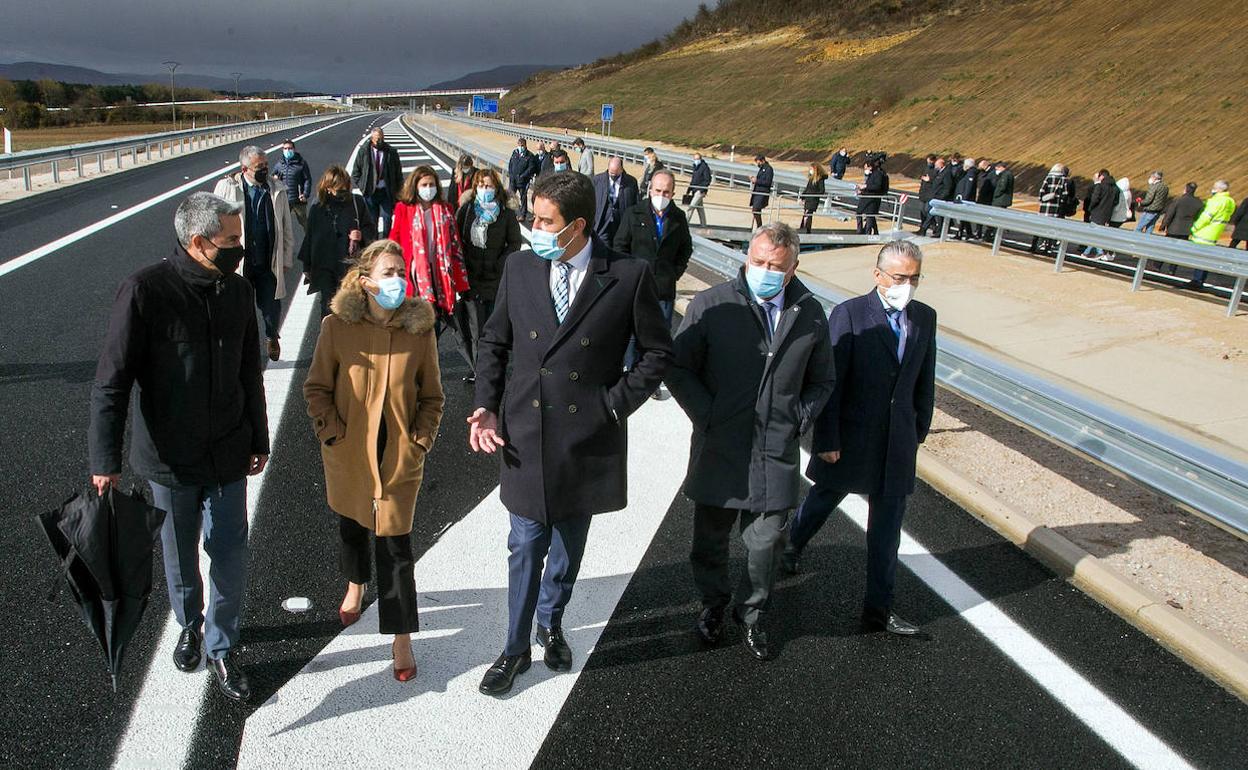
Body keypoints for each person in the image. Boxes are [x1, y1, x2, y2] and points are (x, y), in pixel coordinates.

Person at [468, 171, 672, 696]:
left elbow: (656, 353)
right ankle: (514, 649)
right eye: (531, 218)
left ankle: (550, 622)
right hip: (525, 432)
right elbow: (493, 342)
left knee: (566, 547)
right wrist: (486, 407)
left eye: (544, 221)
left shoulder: (626, 275)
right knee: (524, 543)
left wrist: (613, 405)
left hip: (586, 436)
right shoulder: (520, 266)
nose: (533, 229)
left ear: (577, 226)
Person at [89, 192, 269, 702]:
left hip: (229, 449)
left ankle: (222, 642)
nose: (241, 247)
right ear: (198, 242)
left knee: (229, 547)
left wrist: (259, 437)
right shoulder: (145, 292)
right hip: (168, 458)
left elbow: (248, 372)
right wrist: (105, 462)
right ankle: (190, 623)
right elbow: (111, 382)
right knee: (178, 549)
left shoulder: (236, 293)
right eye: (231, 240)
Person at [666, 222, 833, 660]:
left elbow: (823, 380)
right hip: (720, 447)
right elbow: (679, 367)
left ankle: (753, 614)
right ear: (746, 258)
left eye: (775, 266)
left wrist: (799, 418)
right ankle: (713, 605)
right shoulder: (711, 305)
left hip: (774, 452)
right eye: (758, 262)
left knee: (765, 544)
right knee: (710, 542)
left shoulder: (810, 314)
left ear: (793, 268)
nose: (765, 271)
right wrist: (707, 415)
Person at [303, 238, 444, 684]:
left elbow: (433, 397)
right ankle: (355, 582)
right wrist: (331, 434)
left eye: (402, 272)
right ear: (365, 282)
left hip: (398, 456)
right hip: (349, 451)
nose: (398, 281)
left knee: (396, 548)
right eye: (388, 273)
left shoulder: (419, 332)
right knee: (351, 522)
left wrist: (419, 442)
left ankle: (401, 634)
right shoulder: (336, 328)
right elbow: (317, 389)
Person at [782, 240, 937, 638]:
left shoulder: (925, 318)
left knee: (887, 535)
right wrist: (826, 438)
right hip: (851, 436)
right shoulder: (850, 315)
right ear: (878, 275)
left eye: (914, 278)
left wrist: (917, 428)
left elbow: (924, 381)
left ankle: (878, 613)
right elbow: (830, 381)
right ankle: (791, 545)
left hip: (897, 443)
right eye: (900, 277)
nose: (907, 285)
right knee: (824, 498)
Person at [213, 145, 294, 362]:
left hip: (268, 260)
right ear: (245, 168)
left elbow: (286, 226)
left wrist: (286, 257)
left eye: (266, 165)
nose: (265, 170)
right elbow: (214, 223)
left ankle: (271, 335)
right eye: (260, 167)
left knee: (271, 307)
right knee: (239, 309)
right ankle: (241, 350)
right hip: (240, 261)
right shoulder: (228, 188)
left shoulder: (277, 189)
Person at [389, 166, 474, 370]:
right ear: (415, 187)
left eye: (432, 185)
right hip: (414, 277)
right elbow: (395, 238)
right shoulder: (404, 208)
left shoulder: (445, 209)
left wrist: (460, 279)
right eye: (424, 185)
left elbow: (454, 245)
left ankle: (429, 362)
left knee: (434, 322)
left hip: (440, 277)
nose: (429, 188)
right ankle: (413, 362)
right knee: (413, 322)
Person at [613, 168, 691, 377]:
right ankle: (628, 369)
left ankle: (652, 376)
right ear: (649, 189)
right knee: (631, 332)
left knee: (658, 335)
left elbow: (685, 249)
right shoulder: (633, 213)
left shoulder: (678, 218)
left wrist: (674, 273)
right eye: (657, 191)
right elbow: (620, 246)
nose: (661, 196)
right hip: (636, 286)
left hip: (664, 289)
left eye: (666, 192)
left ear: (673, 194)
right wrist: (628, 275)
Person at [455, 167, 523, 382]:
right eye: (482, 186)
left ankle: (491, 366)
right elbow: (456, 241)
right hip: (472, 279)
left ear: (497, 188)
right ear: (476, 188)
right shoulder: (466, 211)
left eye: (490, 185)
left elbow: (514, 242)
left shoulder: (505, 213)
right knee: (476, 327)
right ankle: (479, 370)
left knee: (492, 328)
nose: (486, 189)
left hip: (495, 279)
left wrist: (500, 263)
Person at [298, 165, 377, 318]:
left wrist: (361, 235)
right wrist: (306, 266)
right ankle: (328, 338)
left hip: (349, 264)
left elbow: (370, 229)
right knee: (328, 306)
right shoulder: (317, 206)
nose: (343, 194)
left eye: (346, 189)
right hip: (324, 264)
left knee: (350, 305)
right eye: (339, 190)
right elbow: (310, 237)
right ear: (328, 188)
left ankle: (347, 339)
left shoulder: (357, 202)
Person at [350, 127, 403, 237]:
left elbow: (398, 173)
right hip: (370, 192)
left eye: (381, 139)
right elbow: (355, 173)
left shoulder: (391, 152)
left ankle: (385, 241)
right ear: (372, 139)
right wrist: (363, 186)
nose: (380, 142)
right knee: (372, 221)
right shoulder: (364, 151)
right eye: (377, 139)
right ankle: (374, 243)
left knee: (387, 219)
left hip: (386, 192)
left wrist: (398, 190)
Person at [1187, 180, 1236, 291]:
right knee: (1206, 258)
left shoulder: (1216, 201)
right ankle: (1200, 280)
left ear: (1218, 189)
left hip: (1204, 232)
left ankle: (1196, 280)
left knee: (1200, 258)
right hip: (1216, 233)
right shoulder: (1230, 202)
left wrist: (1194, 228)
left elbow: (1206, 217)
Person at [592, 157, 639, 244]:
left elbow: (635, 203)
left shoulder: (631, 182)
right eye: (611, 173)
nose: (613, 176)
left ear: (621, 170)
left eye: (616, 174)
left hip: (621, 221)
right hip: (603, 221)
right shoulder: (597, 180)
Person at [271, 138, 313, 229]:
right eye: (285, 149)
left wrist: (305, 194)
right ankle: (281, 243)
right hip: (284, 200)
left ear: (294, 149)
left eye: (289, 148)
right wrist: (274, 179)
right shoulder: (279, 164)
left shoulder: (301, 163)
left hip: (298, 200)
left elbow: (307, 180)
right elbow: (272, 177)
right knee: (280, 225)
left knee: (305, 223)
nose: (287, 151)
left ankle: (312, 241)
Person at [1080, 169, 1120, 260]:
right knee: (1097, 233)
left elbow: (1094, 200)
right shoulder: (1115, 188)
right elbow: (1116, 202)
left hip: (1097, 213)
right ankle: (1087, 252)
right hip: (1107, 214)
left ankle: (1099, 252)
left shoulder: (1100, 186)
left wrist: (1090, 209)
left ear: (1101, 176)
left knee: (1094, 233)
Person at [1032, 164, 1068, 254]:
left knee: (1040, 227)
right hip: (1055, 208)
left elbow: (1041, 191)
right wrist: (1060, 202)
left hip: (1045, 207)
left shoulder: (1048, 178)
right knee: (1052, 229)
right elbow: (1065, 193)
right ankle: (1048, 247)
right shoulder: (1063, 179)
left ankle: (1036, 245)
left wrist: (1042, 199)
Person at [918, 157, 954, 236]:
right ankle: (931, 229)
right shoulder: (940, 172)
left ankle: (925, 229)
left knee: (932, 213)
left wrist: (941, 197)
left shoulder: (946, 173)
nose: (935, 167)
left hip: (939, 198)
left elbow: (947, 187)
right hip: (934, 197)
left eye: (937, 165)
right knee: (931, 213)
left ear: (941, 165)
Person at [855, 155, 889, 235]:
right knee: (864, 214)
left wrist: (865, 186)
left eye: (866, 168)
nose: (865, 170)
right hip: (867, 196)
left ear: (870, 167)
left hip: (872, 198)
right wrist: (862, 190)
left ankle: (866, 232)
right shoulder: (873, 173)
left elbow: (876, 186)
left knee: (869, 215)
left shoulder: (878, 174)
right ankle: (865, 231)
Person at [507, 137, 538, 221]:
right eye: (519, 145)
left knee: (523, 198)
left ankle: (522, 215)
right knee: (511, 197)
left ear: (525, 145)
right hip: (513, 180)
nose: (520, 147)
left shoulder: (529, 156)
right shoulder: (515, 153)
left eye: (522, 145)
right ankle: (510, 213)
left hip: (523, 181)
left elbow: (531, 168)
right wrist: (510, 174)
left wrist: (523, 176)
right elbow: (510, 164)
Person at [953, 158, 979, 240]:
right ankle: (969, 232)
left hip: (965, 199)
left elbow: (969, 187)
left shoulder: (971, 173)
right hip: (964, 197)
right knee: (964, 217)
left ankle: (960, 233)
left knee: (963, 216)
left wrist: (965, 198)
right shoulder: (967, 173)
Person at [799, 162, 828, 234]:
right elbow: (807, 188)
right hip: (808, 199)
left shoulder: (820, 179)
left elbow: (822, 191)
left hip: (813, 200)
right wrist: (802, 197)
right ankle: (803, 228)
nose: (810, 170)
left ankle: (807, 230)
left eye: (811, 169)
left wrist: (813, 195)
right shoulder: (811, 178)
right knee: (806, 213)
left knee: (808, 214)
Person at [686, 152, 712, 227]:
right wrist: (689, 189)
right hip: (694, 190)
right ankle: (703, 224)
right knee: (700, 208)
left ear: (700, 159)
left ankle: (685, 223)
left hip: (700, 191)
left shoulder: (704, 167)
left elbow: (707, 179)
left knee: (691, 207)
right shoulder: (695, 167)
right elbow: (693, 179)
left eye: (697, 159)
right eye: (695, 159)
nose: (696, 160)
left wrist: (701, 189)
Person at [971, 160, 995, 240]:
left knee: (988, 217)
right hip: (981, 197)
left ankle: (988, 233)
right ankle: (978, 231)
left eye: (980, 166)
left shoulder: (992, 173)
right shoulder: (981, 172)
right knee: (979, 216)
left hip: (988, 198)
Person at [749, 154, 774, 230]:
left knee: (756, 209)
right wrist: (754, 180)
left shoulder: (769, 169)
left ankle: (760, 227)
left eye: (758, 162)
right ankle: (759, 227)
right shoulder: (762, 168)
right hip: (758, 192)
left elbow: (767, 182)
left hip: (762, 193)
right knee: (756, 210)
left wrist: (757, 181)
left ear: (763, 161)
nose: (758, 164)